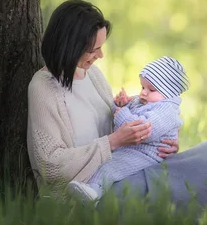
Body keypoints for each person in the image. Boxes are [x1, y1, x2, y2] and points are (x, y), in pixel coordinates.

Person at [27, 0, 207, 210]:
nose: (100, 56)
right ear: (71, 46)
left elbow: (122, 123)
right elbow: (50, 167)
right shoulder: (44, 88)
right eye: (95, 49)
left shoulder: (93, 75)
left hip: (121, 171)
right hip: (88, 196)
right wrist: (114, 141)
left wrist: (157, 140)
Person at [66, 56, 189, 204]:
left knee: (113, 166)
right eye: (143, 87)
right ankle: (90, 188)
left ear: (168, 92)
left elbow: (141, 130)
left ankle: (94, 191)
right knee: (108, 161)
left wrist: (121, 113)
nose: (143, 92)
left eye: (151, 89)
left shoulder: (166, 110)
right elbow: (124, 115)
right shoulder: (146, 100)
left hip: (147, 155)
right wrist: (121, 104)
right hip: (133, 148)